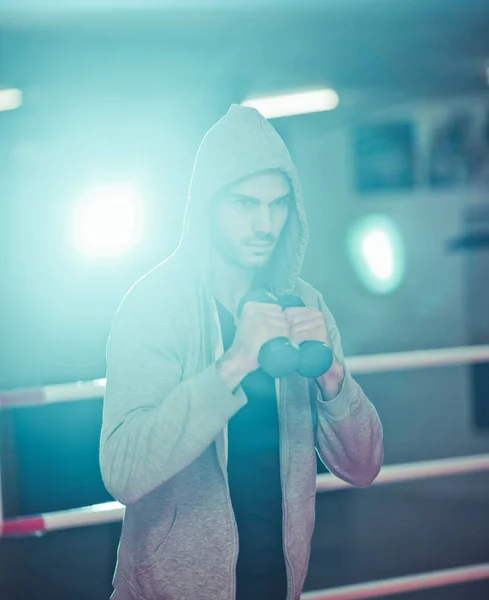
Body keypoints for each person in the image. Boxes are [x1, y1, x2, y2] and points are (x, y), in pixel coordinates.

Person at [100, 104, 383, 600]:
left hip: (276, 585)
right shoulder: (155, 305)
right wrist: (232, 364)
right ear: (207, 206)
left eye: (278, 205)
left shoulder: (305, 304)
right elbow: (124, 471)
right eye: (244, 204)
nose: (265, 224)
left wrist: (335, 382)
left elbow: (363, 467)